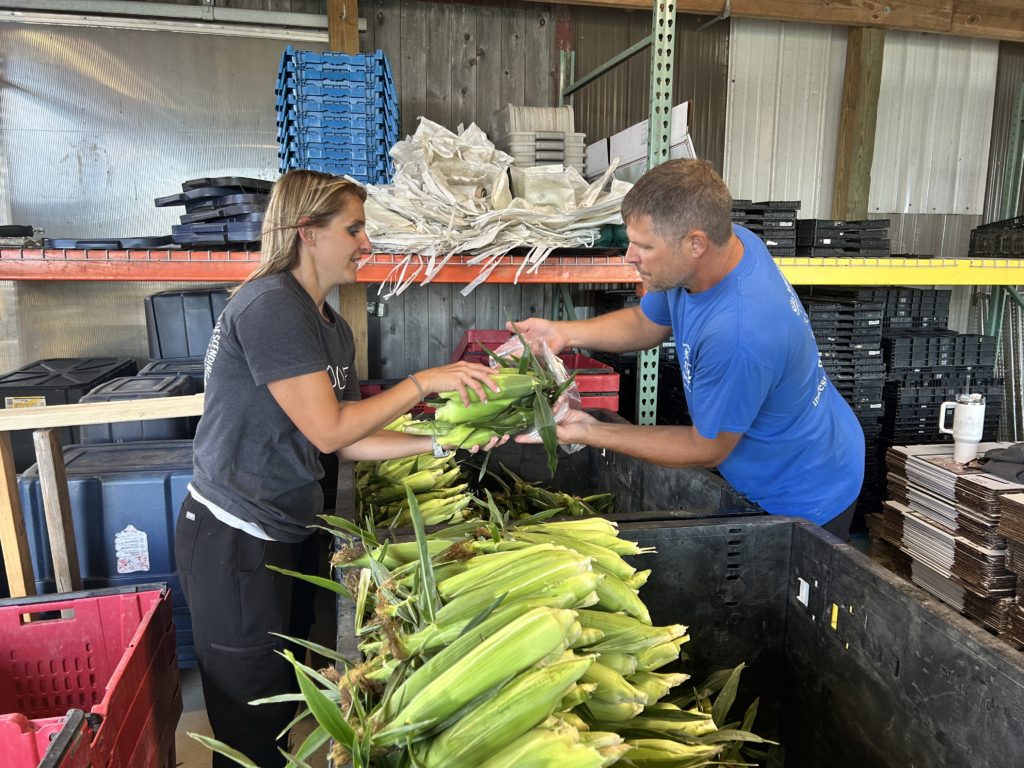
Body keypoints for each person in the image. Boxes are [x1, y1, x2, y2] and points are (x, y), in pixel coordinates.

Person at [174, 169, 503, 767]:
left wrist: (442, 443)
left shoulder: (327, 323)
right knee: (251, 727)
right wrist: (423, 383)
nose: (366, 244)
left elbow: (344, 441)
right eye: (354, 229)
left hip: (285, 529)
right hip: (235, 538)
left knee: (283, 706)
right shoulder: (272, 305)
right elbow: (329, 429)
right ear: (308, 231)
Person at [512, 159, 864, 540]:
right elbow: (646, 323)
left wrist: (590, 430)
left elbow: (706, 449)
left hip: (803, 489)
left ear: (695, 243)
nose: (629, 256)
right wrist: (561, 334)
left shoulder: (740, 335)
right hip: (772, 456)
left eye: (644, 246)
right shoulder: (724, 247)